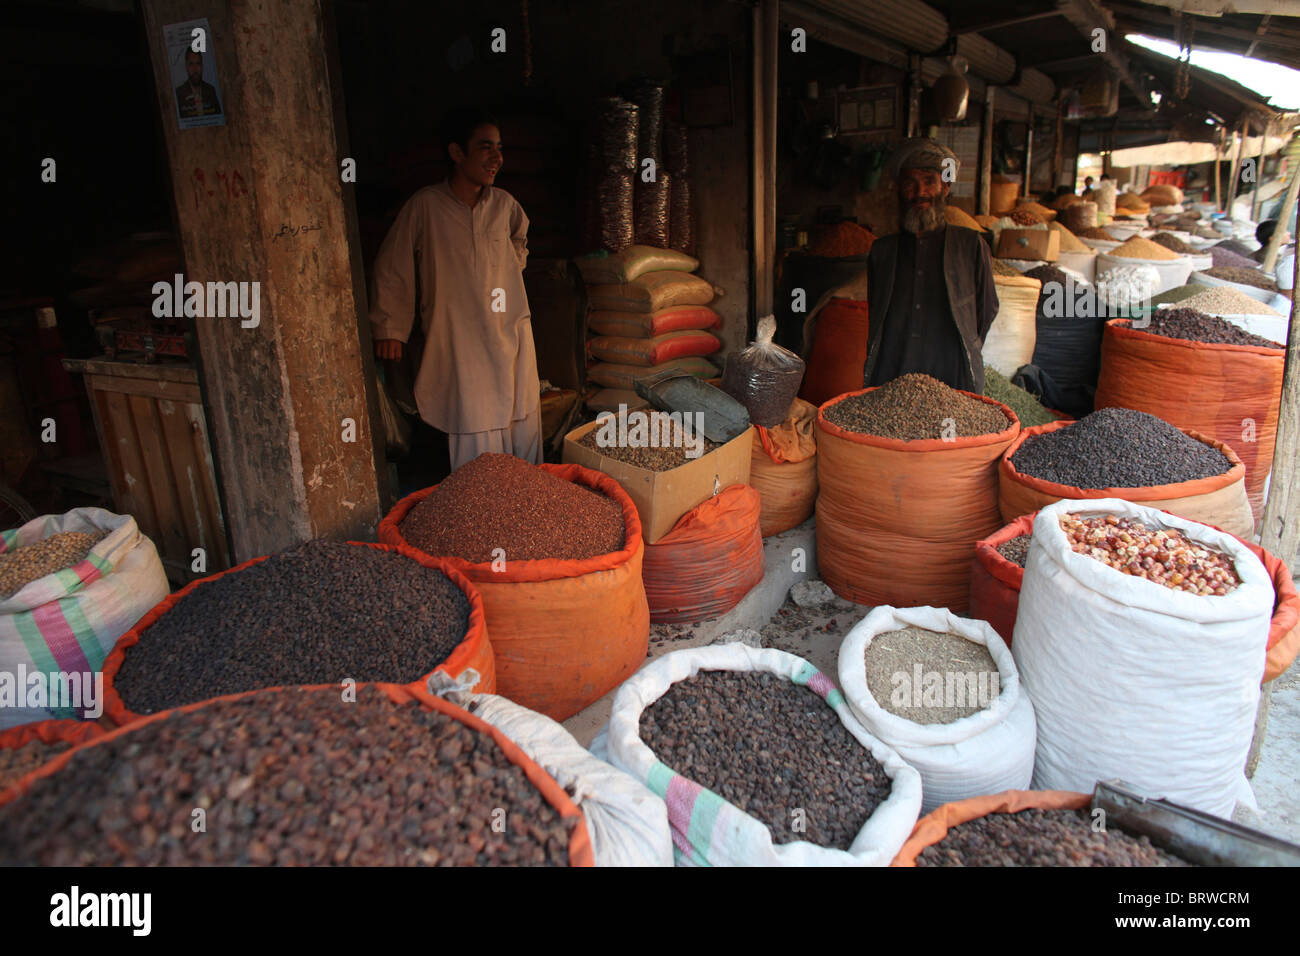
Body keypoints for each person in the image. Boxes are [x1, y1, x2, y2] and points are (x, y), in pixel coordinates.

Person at [370, 109, 540, 471]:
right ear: (456, 153)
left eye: (499, 148)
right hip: (460, 337)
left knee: (520, 419)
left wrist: (503, 274)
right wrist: (390, 328)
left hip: (510, 331)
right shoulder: (425, 207)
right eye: (485, 147)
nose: (497, 158)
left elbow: (519, 242)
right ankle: (479, 508)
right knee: (472, 420)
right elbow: (394, 266)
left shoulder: (505, 205)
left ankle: (526, 503)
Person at [861, 138, 999, 394]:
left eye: (928, 182)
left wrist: (966, 344)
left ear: (945, 188)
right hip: (892, 370)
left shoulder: (970, 245)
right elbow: (877, 310)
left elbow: (987, 308)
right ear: (899, 190)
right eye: (910, 184)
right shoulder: (883, 251)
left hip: (951, 372)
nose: (919, 192)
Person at [175, 49, 221, 119]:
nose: (195, 69)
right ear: (186, 67)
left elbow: (218, 117)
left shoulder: (211, 90)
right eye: (191, 64)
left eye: (198, 63)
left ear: (202, 66)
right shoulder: (179, 93)